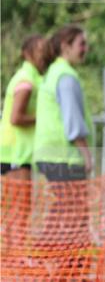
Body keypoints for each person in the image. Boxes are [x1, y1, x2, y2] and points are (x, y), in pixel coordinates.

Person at [33, 25, 93, 180]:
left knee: (64, 204)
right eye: (81, 44)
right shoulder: (66, 77)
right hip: (64, 157)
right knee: (72, 204)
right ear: (65, 46)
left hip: (50, 155)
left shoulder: (53, 72)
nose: (86, 49)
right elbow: (73, 121)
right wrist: (86, 155)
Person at [1, 34, 51, 178]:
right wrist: (43, 119)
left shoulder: (36, 78)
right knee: (15, 201)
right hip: (14, 152)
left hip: (22, 153)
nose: (45, 55)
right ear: (27, 54)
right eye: (41, 50)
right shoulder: (26, 80)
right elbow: (16, 118)